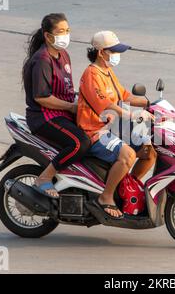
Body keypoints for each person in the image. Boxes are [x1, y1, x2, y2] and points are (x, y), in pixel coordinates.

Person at [77, 30, 156, 218]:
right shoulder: (91, 74)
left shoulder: (107, 72)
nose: (116, 56)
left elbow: (124, 96)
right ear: (100, 52)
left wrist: (150, 104)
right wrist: (134, 115)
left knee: (150, 151)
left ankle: (127, 188)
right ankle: (106, 197)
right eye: (113, 51)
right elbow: (107, 106)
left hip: (113, 128)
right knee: (128, 154)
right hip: (95, 132)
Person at [22, 13, 90, 198]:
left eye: (67, 31)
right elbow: (42, 97)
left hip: (63, 113)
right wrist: (71, 107)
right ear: (47, 35)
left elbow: (67, 88)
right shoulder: (42, 60)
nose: (65, 35)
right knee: (79, 143)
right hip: (45, 117)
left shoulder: (63, 55)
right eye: (60, 31)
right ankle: (44, 178)